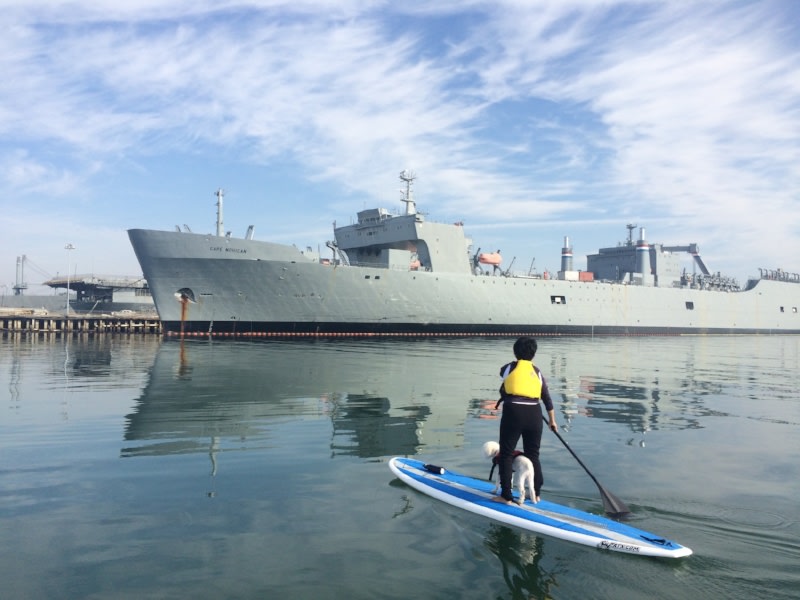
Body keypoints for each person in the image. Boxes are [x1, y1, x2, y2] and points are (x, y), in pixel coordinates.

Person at [492, 336, 558, 504]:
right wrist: (552, 421)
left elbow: (503, 376)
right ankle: (535, 493)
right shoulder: (538, 372)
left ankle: (506, 496)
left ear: (515, 352)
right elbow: (547, 399)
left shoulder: (508, 368)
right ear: (533, 354)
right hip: (534, 413)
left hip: (514, 412)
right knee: (533, 455)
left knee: (506, 454)